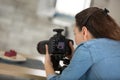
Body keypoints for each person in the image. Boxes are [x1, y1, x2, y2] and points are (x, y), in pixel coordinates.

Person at [44, 7, 120, 80]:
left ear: (84, 32)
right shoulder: (116, 44)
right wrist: (75, 59)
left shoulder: (87, 48)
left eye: (75, 33)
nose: (75, 38)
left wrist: (48, 65)